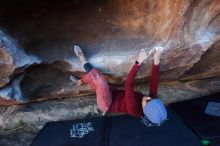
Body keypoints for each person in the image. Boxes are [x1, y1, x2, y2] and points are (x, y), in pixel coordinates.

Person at [70, 45, 167, 125]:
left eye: (147, 102)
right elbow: (154, 81)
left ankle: (81, 57)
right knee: (97, 83)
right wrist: (156, 60)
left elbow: (128, 83)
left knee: (100, 81)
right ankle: (80, 82)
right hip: (114, 93)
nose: (147, 98)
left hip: (107, 103)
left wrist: (139, 61)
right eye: (152, 99)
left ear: (145, 111)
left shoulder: (134, 110)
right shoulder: (152, 100)